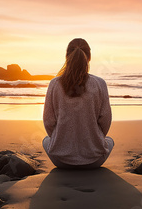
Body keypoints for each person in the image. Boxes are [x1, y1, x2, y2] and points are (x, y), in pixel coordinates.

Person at [42, 38, 114, 169]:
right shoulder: (100, 83)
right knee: (109, 141)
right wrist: (92, 138)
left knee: (46, 140)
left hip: (60, 161)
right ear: (89, 57)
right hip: (94, 161)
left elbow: (48, 123)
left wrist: (63, 139)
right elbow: (105, 121)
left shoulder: (54, 84)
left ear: (66, 56)